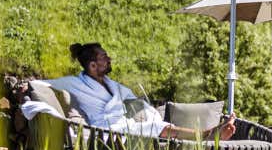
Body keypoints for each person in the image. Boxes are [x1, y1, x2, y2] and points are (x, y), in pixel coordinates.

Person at [51, 43, 235, 141]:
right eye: (104, 57)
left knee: (152, 123)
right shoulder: (75, 84)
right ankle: (205, 135)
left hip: (124, 126)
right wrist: (26, 88)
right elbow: (45, 84)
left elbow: (132, 102)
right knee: (153, 127)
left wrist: (147, 114)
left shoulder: (113, 85)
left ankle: (204, 136)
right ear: (92, 65)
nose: (109, 59)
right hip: (107, 132)